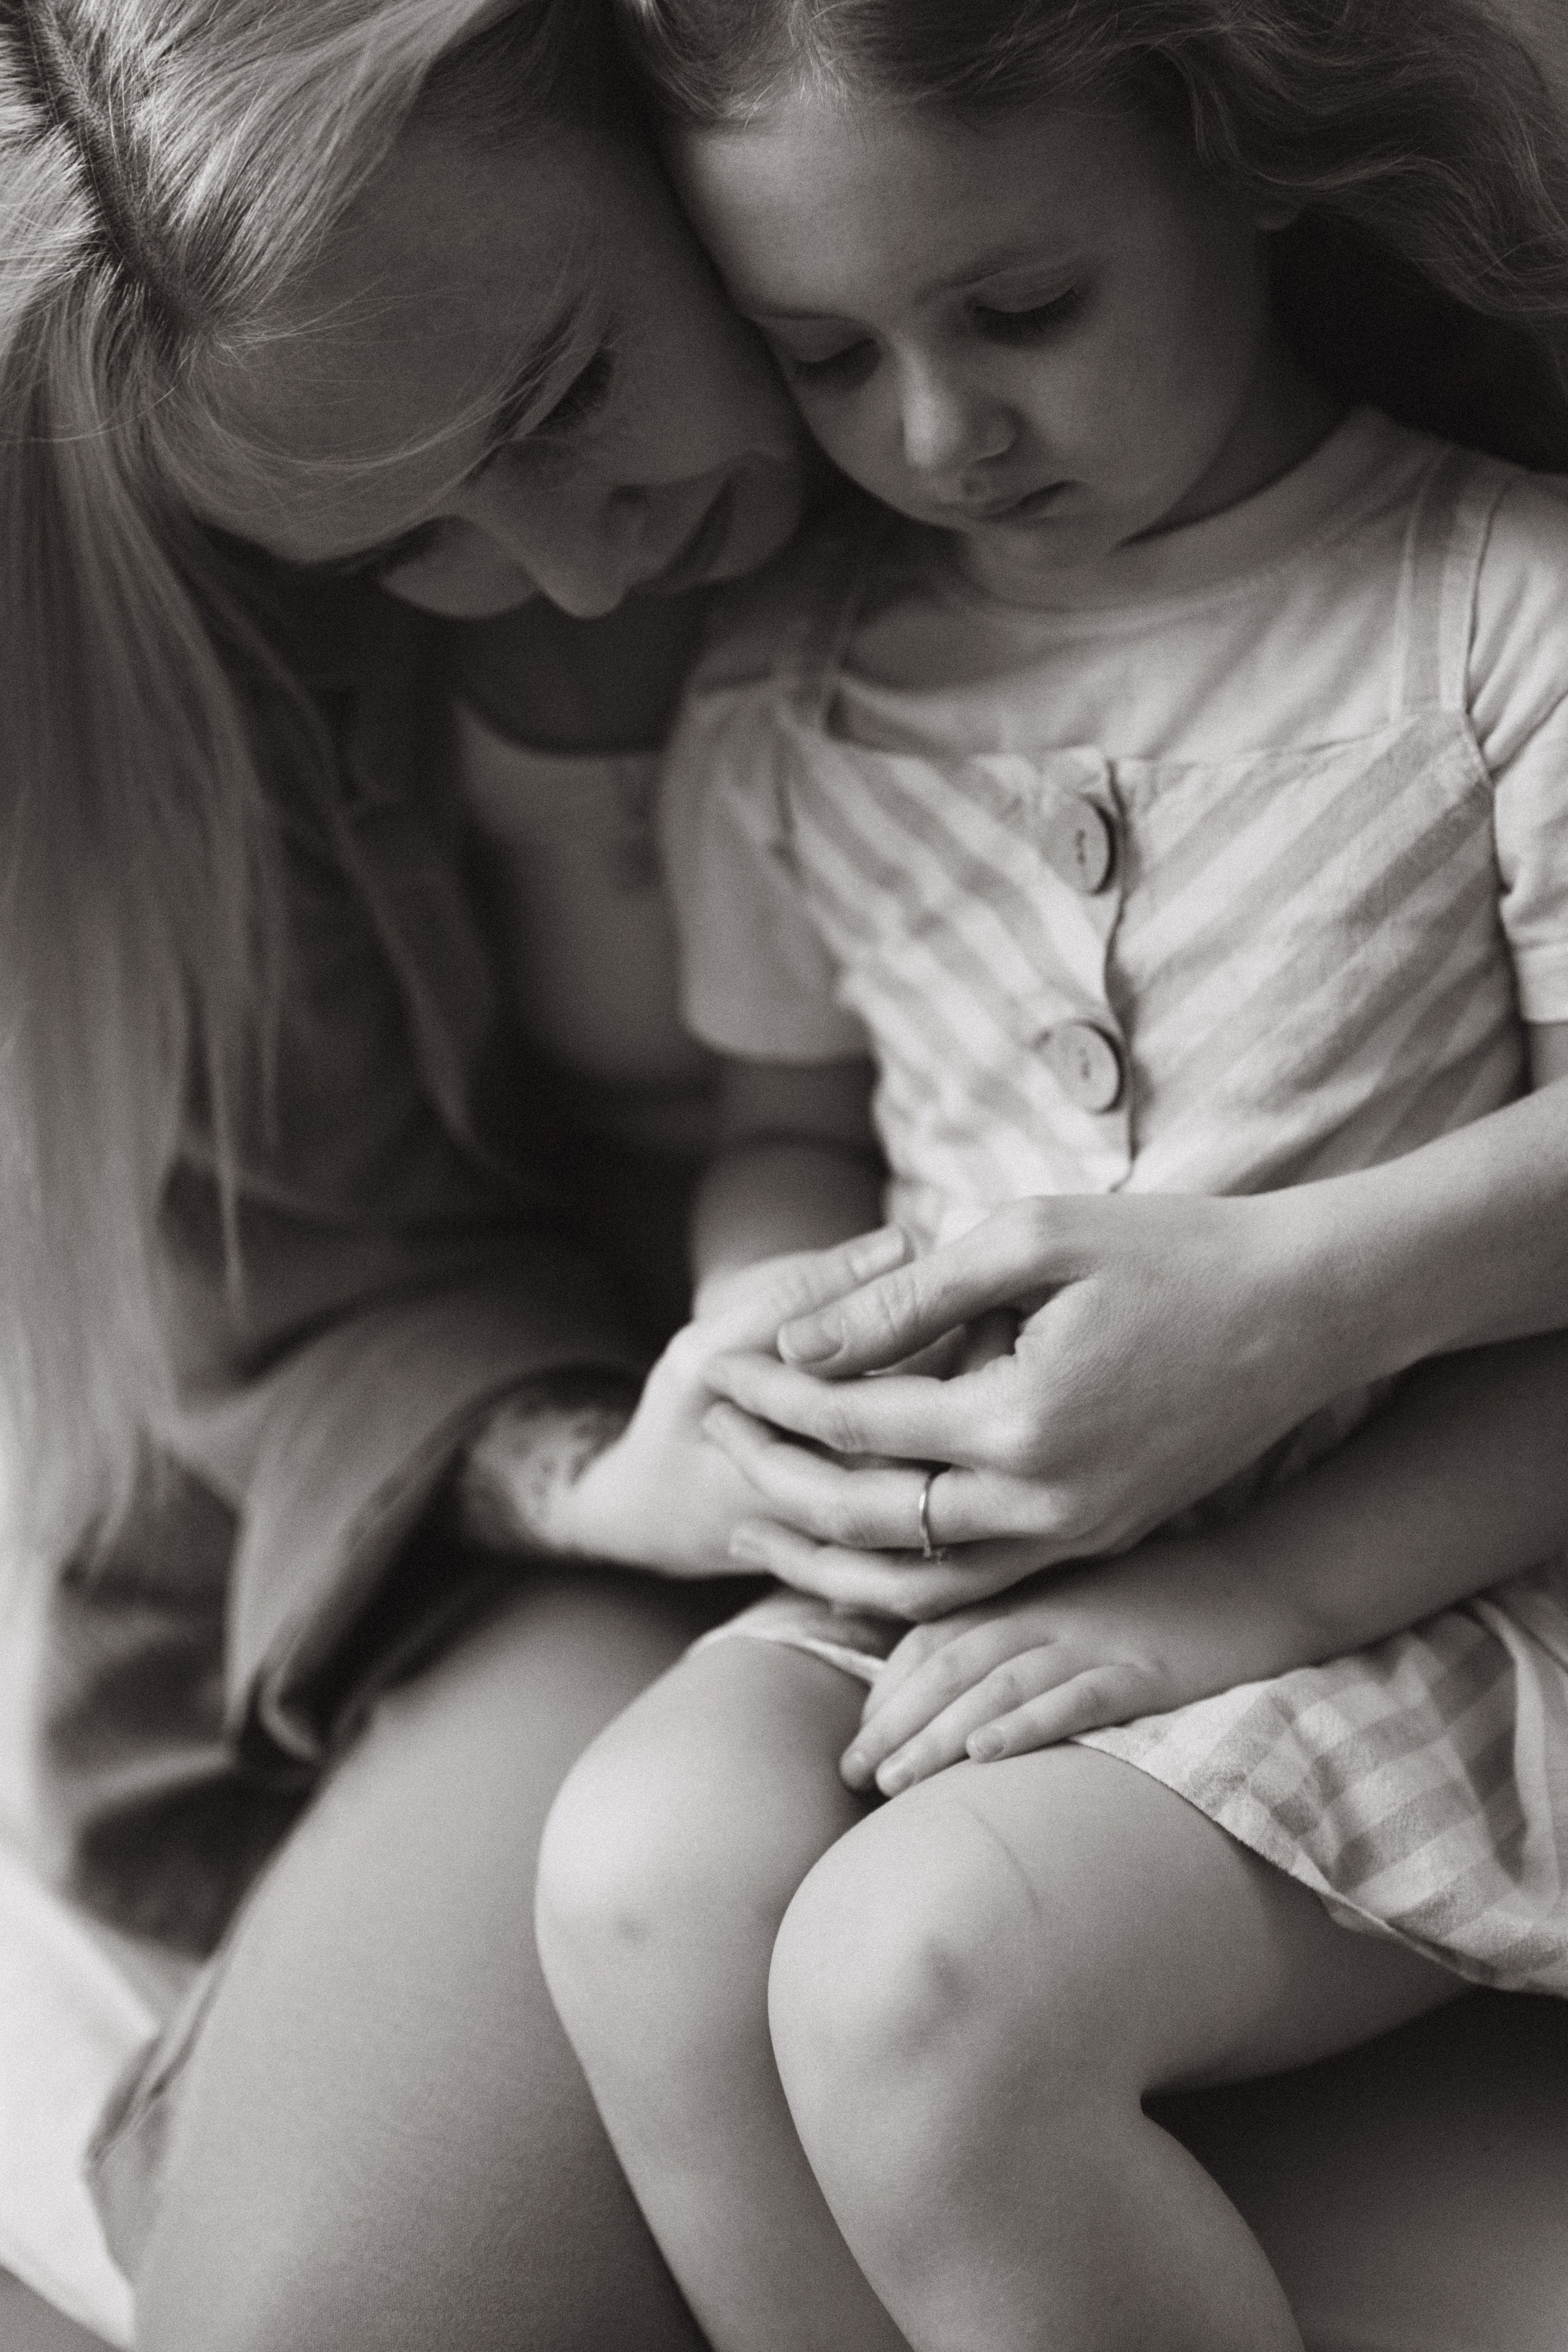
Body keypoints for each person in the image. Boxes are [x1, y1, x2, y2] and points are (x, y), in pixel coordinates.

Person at [2, 4, 1568, 2350]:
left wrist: (1314, 1308)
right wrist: (634, 1453)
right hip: (702, 1515)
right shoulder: (299, 608)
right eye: (404, 534)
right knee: (415, 2223)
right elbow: (321, 1291)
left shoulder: (1404, 519)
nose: (554, 568)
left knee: (945, 2010)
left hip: (1407, 1462)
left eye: (560, 395)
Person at [534, 3, 1568, 2347]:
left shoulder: (1495, 609)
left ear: (1244, 160)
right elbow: (789, 1120)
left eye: (1020, 311)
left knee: (930, 1980)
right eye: (817, 354)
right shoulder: (791, 685)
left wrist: (1247, 1599)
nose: (937, 431)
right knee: (637, 1870)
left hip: (1451, 1558)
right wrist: (779, 1350)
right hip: (963, 1573)